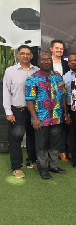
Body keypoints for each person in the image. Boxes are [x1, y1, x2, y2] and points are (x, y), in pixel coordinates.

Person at [25, 51, 68, 180]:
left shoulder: (58, 77)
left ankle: (54, 166)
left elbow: (64, 96)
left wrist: (65, 113)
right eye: (43, 59)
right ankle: (43, 169)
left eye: (48, 59)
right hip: (41, 119)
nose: (46, 62)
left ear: (51, 61)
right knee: (41, 146)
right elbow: (29, 100)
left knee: (55, 144)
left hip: (56, 116)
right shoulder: (32, 78)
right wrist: (35, 118)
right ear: (38, 62)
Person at [3, 45, 38, 178]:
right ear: (18, 55)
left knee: (33, 137)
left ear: (31, 56)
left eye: (28, 54)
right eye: (22, 53)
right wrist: (8, 111)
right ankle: (16, 167)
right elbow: (6, 92)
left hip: (34, 111)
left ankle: (32, 161)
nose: (25, 56)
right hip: (18, 110)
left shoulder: (37, 71)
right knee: (16, 139)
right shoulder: (10, 71)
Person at [50, 39, 70, 161]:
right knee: (49, 127)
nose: (59, 50)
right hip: (48, 101)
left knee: (62, 126)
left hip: (62, 99)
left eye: (61, 49)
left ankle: (62, 151)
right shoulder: (46, 63)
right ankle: (50, 152)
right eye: (57, 48)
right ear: (51, 49)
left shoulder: (66, 64)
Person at [63, 53, 76, 167]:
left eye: (75, 60)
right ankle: (75, 159)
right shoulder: (65, 77)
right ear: (68, 63)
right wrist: (66, 113)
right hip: (71, 108)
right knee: (73, 134)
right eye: (70, 61)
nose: (73, 63)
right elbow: (64, 96)